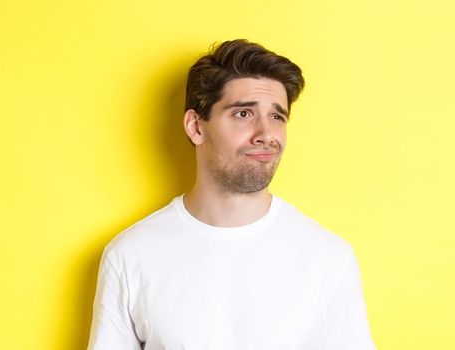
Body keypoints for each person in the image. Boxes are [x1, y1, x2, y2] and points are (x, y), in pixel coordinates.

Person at [86, 39, 377, 350]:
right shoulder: (131, 256)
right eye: (243, 114)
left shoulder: (329, 258)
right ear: (196, 127)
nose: (266, 134)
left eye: (277, 116)